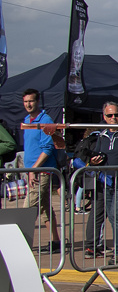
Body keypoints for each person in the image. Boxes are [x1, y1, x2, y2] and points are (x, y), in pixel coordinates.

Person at [81, 102, 118, 262]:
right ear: (104, 117)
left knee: (117, 214)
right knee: (114, 217)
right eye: (109, 115)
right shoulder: (102, 135)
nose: (113, 118)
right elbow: (99, 155)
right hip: (107, 181)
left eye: (116, 115)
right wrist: (94, 160)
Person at [18, 88, 62, 253]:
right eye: (26, 101)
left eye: (31, 101)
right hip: (32, 171)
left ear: (37, 102)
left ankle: (20, 244)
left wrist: (34, 169)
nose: (28, 104)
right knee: (44, 208)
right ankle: (56, 241)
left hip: (41, 172)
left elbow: (48, 147)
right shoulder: (27, 120)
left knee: (28, 208)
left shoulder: (45, 120)